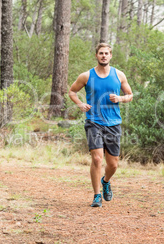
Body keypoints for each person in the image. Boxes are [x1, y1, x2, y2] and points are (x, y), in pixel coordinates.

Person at [68, 43, 133, 207]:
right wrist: (80, 104)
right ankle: (97, 195)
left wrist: (120, 98)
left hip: (113, 123)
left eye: (106, 53)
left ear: (111, 56)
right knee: (97, 159)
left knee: (113, 164)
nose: (104, 56)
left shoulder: (119, 75)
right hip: (93, 122)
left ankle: (106, 181)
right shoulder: (86, 76)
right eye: (101, 53)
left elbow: (130, 95)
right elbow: (72, 91)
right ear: (96, 55)